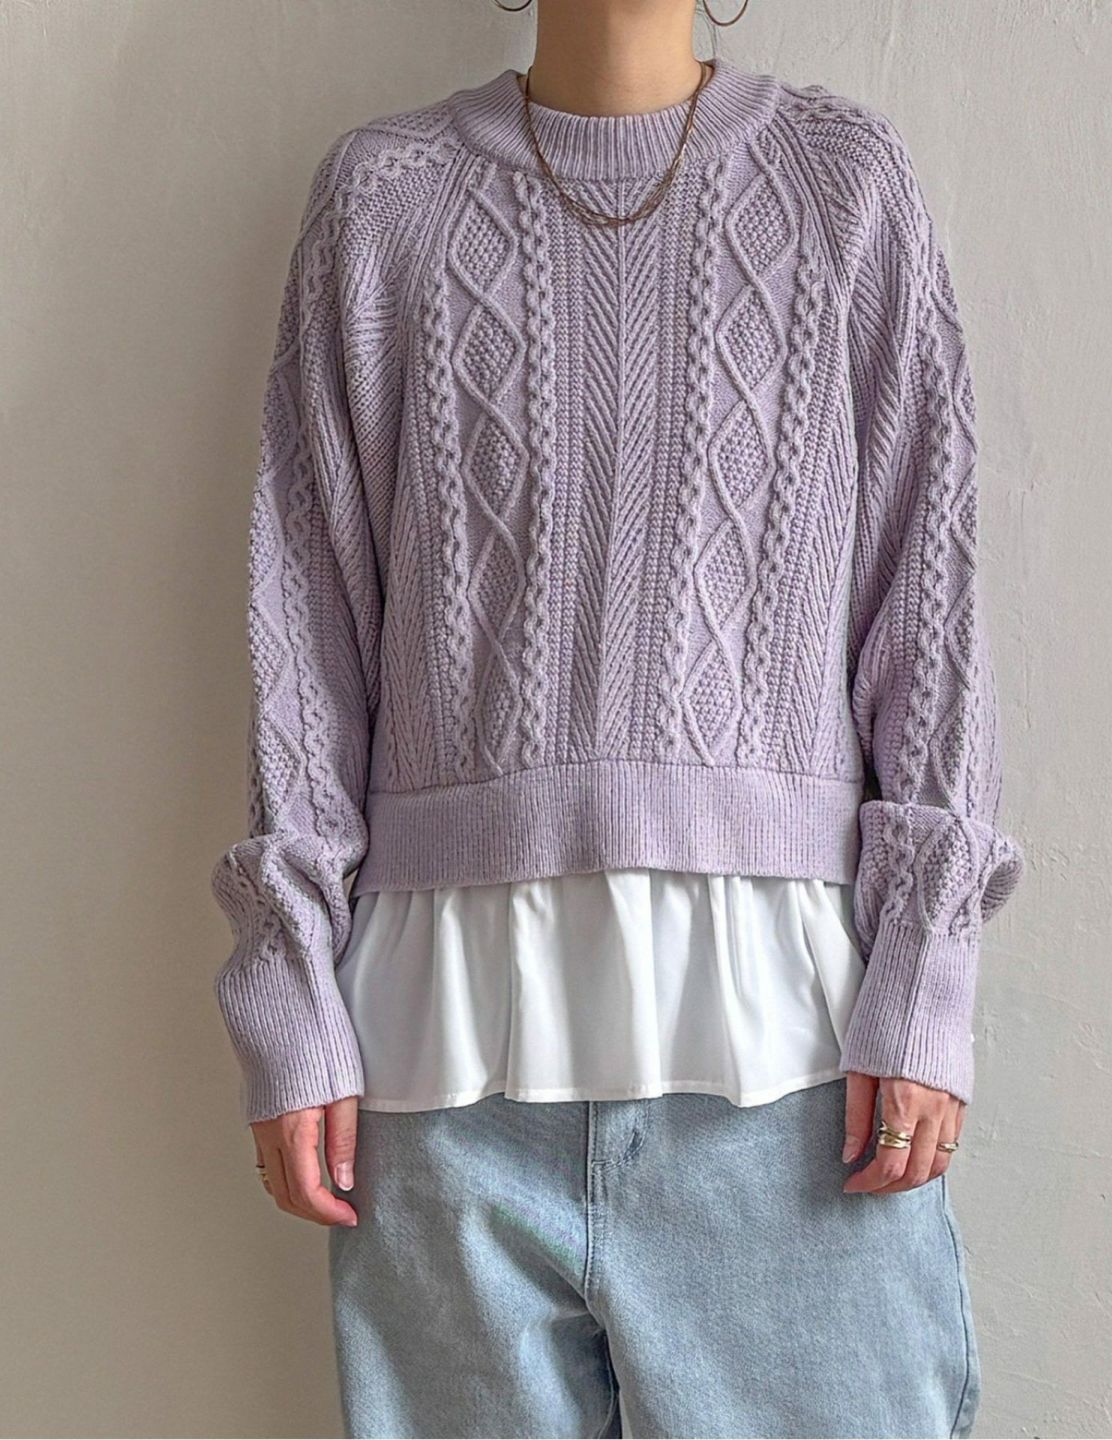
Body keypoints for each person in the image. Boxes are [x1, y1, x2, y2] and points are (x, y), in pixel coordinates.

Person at [210, 1, 1025, 1435]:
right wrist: (287, 989)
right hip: (440, 1077)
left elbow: (927, 598)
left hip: (796, 1069)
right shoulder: (382, 199)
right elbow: (309, 623)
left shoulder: (843, 184)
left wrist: (926, 972)